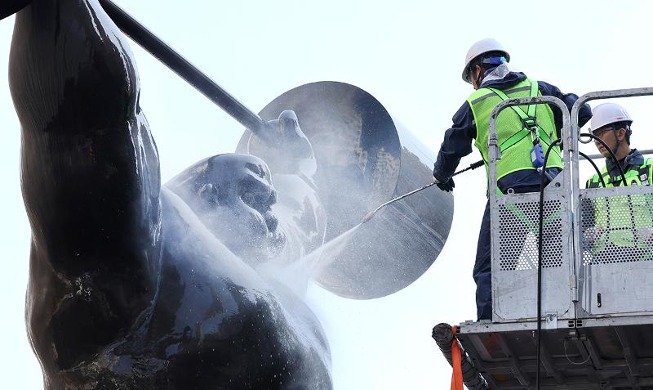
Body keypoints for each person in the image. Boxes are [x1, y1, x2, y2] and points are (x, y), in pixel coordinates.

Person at [4, 0, 332, 388]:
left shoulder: (275, 278)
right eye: (253, 191)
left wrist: (298, 168)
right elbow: (84, 114)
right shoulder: (132, 274)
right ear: (202, 198)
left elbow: (298, 223)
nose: (270, 200)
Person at [431, 38, 592, 320]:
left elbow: (452, 144)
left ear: (478, 70)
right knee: (555, 265)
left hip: (510, 198)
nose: (473, 84)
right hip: (555, 189)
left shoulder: (477, 101)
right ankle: (563, 317)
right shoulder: (539, 89)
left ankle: (490, 324)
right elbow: (583, 110)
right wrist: (552, 135)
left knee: (490, 269)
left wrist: (442, 175)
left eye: (471, 77)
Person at [584, 102, 653, 260]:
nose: (596, 140)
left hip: (645, 262)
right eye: (594, 134)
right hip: (602, 263)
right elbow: (582, 229)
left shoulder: (649, 169)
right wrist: (587, 235)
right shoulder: (593, 181)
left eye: (601, 133)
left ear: (621, 133)